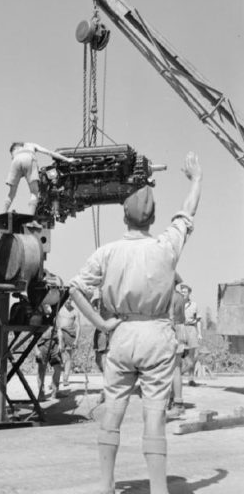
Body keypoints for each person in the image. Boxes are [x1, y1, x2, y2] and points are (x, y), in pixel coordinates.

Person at [68, 152, 202, 494]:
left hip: (123, 334)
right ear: (153, 217)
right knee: (154, 417)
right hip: (157, 334)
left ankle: (105, 486)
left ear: (124, 216)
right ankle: (159, 489)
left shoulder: (107, 253)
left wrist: (103, 322)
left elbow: (75, 289)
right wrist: (196, 180)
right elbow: (186, 215)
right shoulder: (166, 246)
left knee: (113, 412)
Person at [4, 142, 75, 215]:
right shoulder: (31, 145)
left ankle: (3, 212)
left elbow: (19, 165)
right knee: (34, 192)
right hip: (29, 158)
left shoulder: (14, 152)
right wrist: (67, 159)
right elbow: (49, 152)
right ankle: (31, 218)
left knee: (11, 193)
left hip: (15, 161)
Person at [167, 276, 187, 418]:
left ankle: (172, 402)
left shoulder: (168, 297)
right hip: (181, 330)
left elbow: (170, 318)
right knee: (177, 368)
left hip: (172, 331)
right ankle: (178, 401)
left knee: (170, 369)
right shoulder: (180, 297)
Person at [180, 283, 202, 386]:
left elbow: (198, 320)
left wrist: (199, 334)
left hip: (191, 328)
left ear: (189, 293)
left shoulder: (194, 305)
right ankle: (177, 377)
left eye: (185, 292)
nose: (183, 293)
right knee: (179, 354)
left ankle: (191, 379)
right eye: (182, 292)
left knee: (192, 355)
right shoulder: (177, 304)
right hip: (180, 328)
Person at [57, 296, 81, 387]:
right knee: (57, 357)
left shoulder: (75, 311)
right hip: (59, 333)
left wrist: (76, 340)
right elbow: (56, 323)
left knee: (68, 357)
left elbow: (78, 326)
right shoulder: (59, 310)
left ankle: (65, 378)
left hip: (70, 335)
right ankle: (55, 380)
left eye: (70, 299)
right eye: (66, 299)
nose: (68, 301)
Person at [35, 325, 63, 399]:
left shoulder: (56, 316)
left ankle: (55, 391)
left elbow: (59, 330)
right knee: (41, 370)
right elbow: (34, 333)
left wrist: (60, 344)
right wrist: (36, 349)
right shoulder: (41, 316)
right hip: (42, 344)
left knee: (58, 368)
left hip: (54, 344)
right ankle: (41, 392)